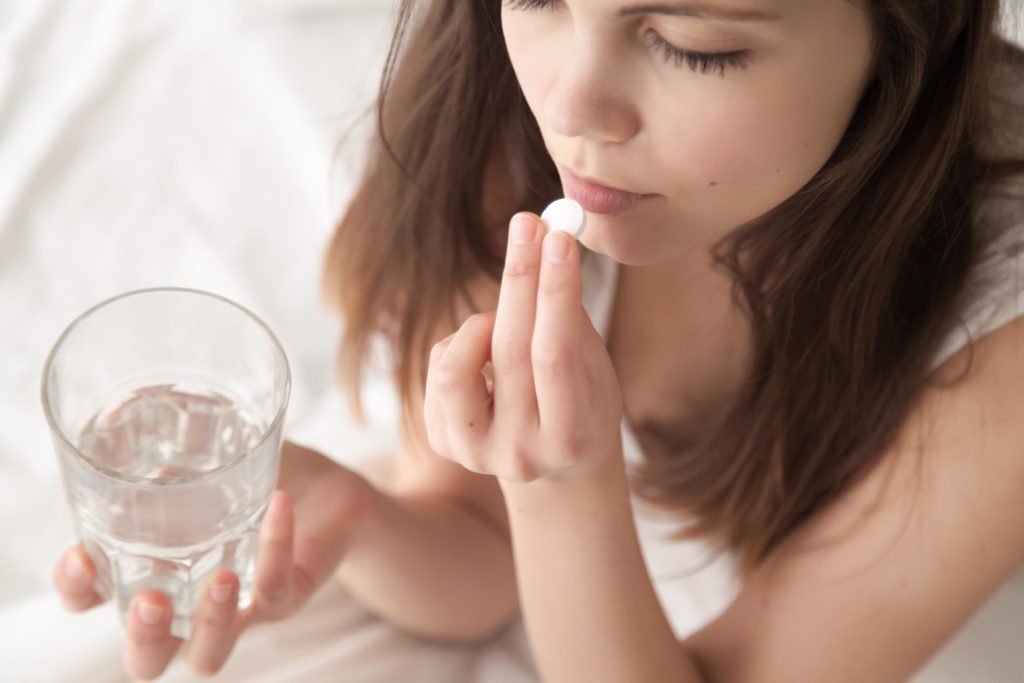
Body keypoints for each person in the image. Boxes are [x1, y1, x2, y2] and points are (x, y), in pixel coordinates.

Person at [54, 0, 1024, 680]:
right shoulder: (504, 120)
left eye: (693, 45)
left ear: (916, 32)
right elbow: (480, 549)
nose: (568, 106)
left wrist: (565, 488)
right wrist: (350, 509)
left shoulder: (1002, 340)